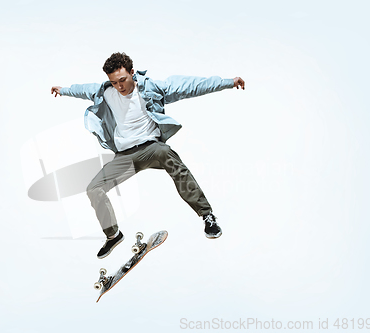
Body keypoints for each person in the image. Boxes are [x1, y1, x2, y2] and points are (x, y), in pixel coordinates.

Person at [51, 52, 245, 259]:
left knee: (168, 155)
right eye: (114, 82)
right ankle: (113, 235)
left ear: (132, 73)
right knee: (93, 188)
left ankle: (207, 216)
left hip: (151, 149)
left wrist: (228, 82)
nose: (120, 87)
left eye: (123, 80)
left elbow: (191, 86)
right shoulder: (105, 92)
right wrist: (62, 90)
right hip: (125, 157)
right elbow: (82, 89)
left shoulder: (152, 88)